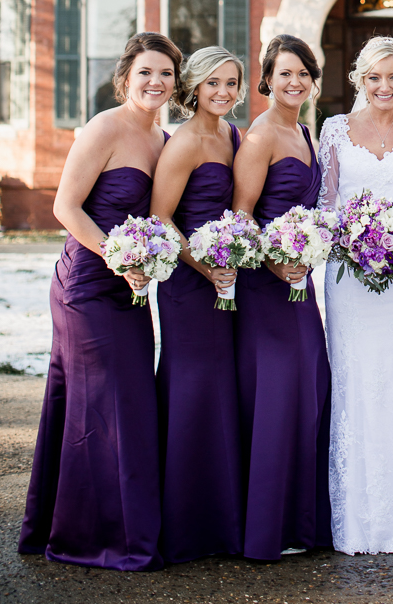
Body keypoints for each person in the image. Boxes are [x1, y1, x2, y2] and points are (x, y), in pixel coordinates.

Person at [19, 32, 182, 571]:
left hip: (130, 288)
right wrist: (116, 254)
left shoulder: (161, 139)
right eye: (146, 73)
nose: (156, 82)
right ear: (126, 78)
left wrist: (150, 261)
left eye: (165, 73)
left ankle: (62, 522)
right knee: (107, 406)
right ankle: (94, 537)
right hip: (87, 284)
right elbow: (66, 207)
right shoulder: (104, 127)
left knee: (119, 401)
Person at [318, 35, 393, 554]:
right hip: (348, 277)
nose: (384, 86)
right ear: (359, 80)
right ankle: (355, 518)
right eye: (374, 77)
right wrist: (351, 238)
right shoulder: (334, 130)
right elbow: (326, 202)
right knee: (355, 379)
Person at [232, 34, 331, 560]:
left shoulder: (307, 133)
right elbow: (242, 214)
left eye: (304, 74)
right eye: (285, 73)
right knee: (275, 396)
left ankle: (302, 521)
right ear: (267, 79)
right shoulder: (261, 134)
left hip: (301, 282)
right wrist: (274, 262)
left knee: (308, 386)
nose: (295, 82)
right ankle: (269, 527)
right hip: (264, 284)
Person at [150, 46, 246, 563]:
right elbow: (162, 217)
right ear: (193, 87)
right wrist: (204, 267)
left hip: (226, 277)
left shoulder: (233, 135)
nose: (223, 92)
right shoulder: (183, 142)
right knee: (192, 387)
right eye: (213, 83)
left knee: (221, 389)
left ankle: (220, 517)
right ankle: (185, 523)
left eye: (231, 83)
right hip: (189, 284)